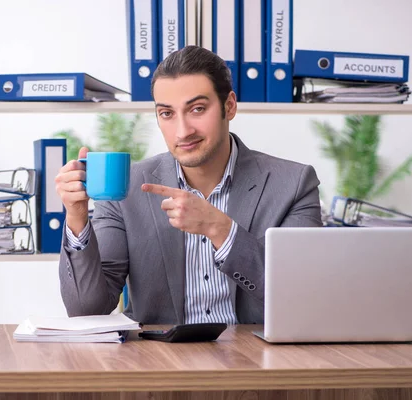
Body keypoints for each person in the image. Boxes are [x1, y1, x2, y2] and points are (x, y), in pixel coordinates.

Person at [55, 45, 322, 325]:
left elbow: (303, 296)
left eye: (197, 109)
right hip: (159, 361)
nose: (183, 131)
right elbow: (86, 309)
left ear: (229, 106)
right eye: (167, 113)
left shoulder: (294, 184)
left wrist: (219, 229)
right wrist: (76, 216)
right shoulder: (128, 189)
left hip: (257, 359)